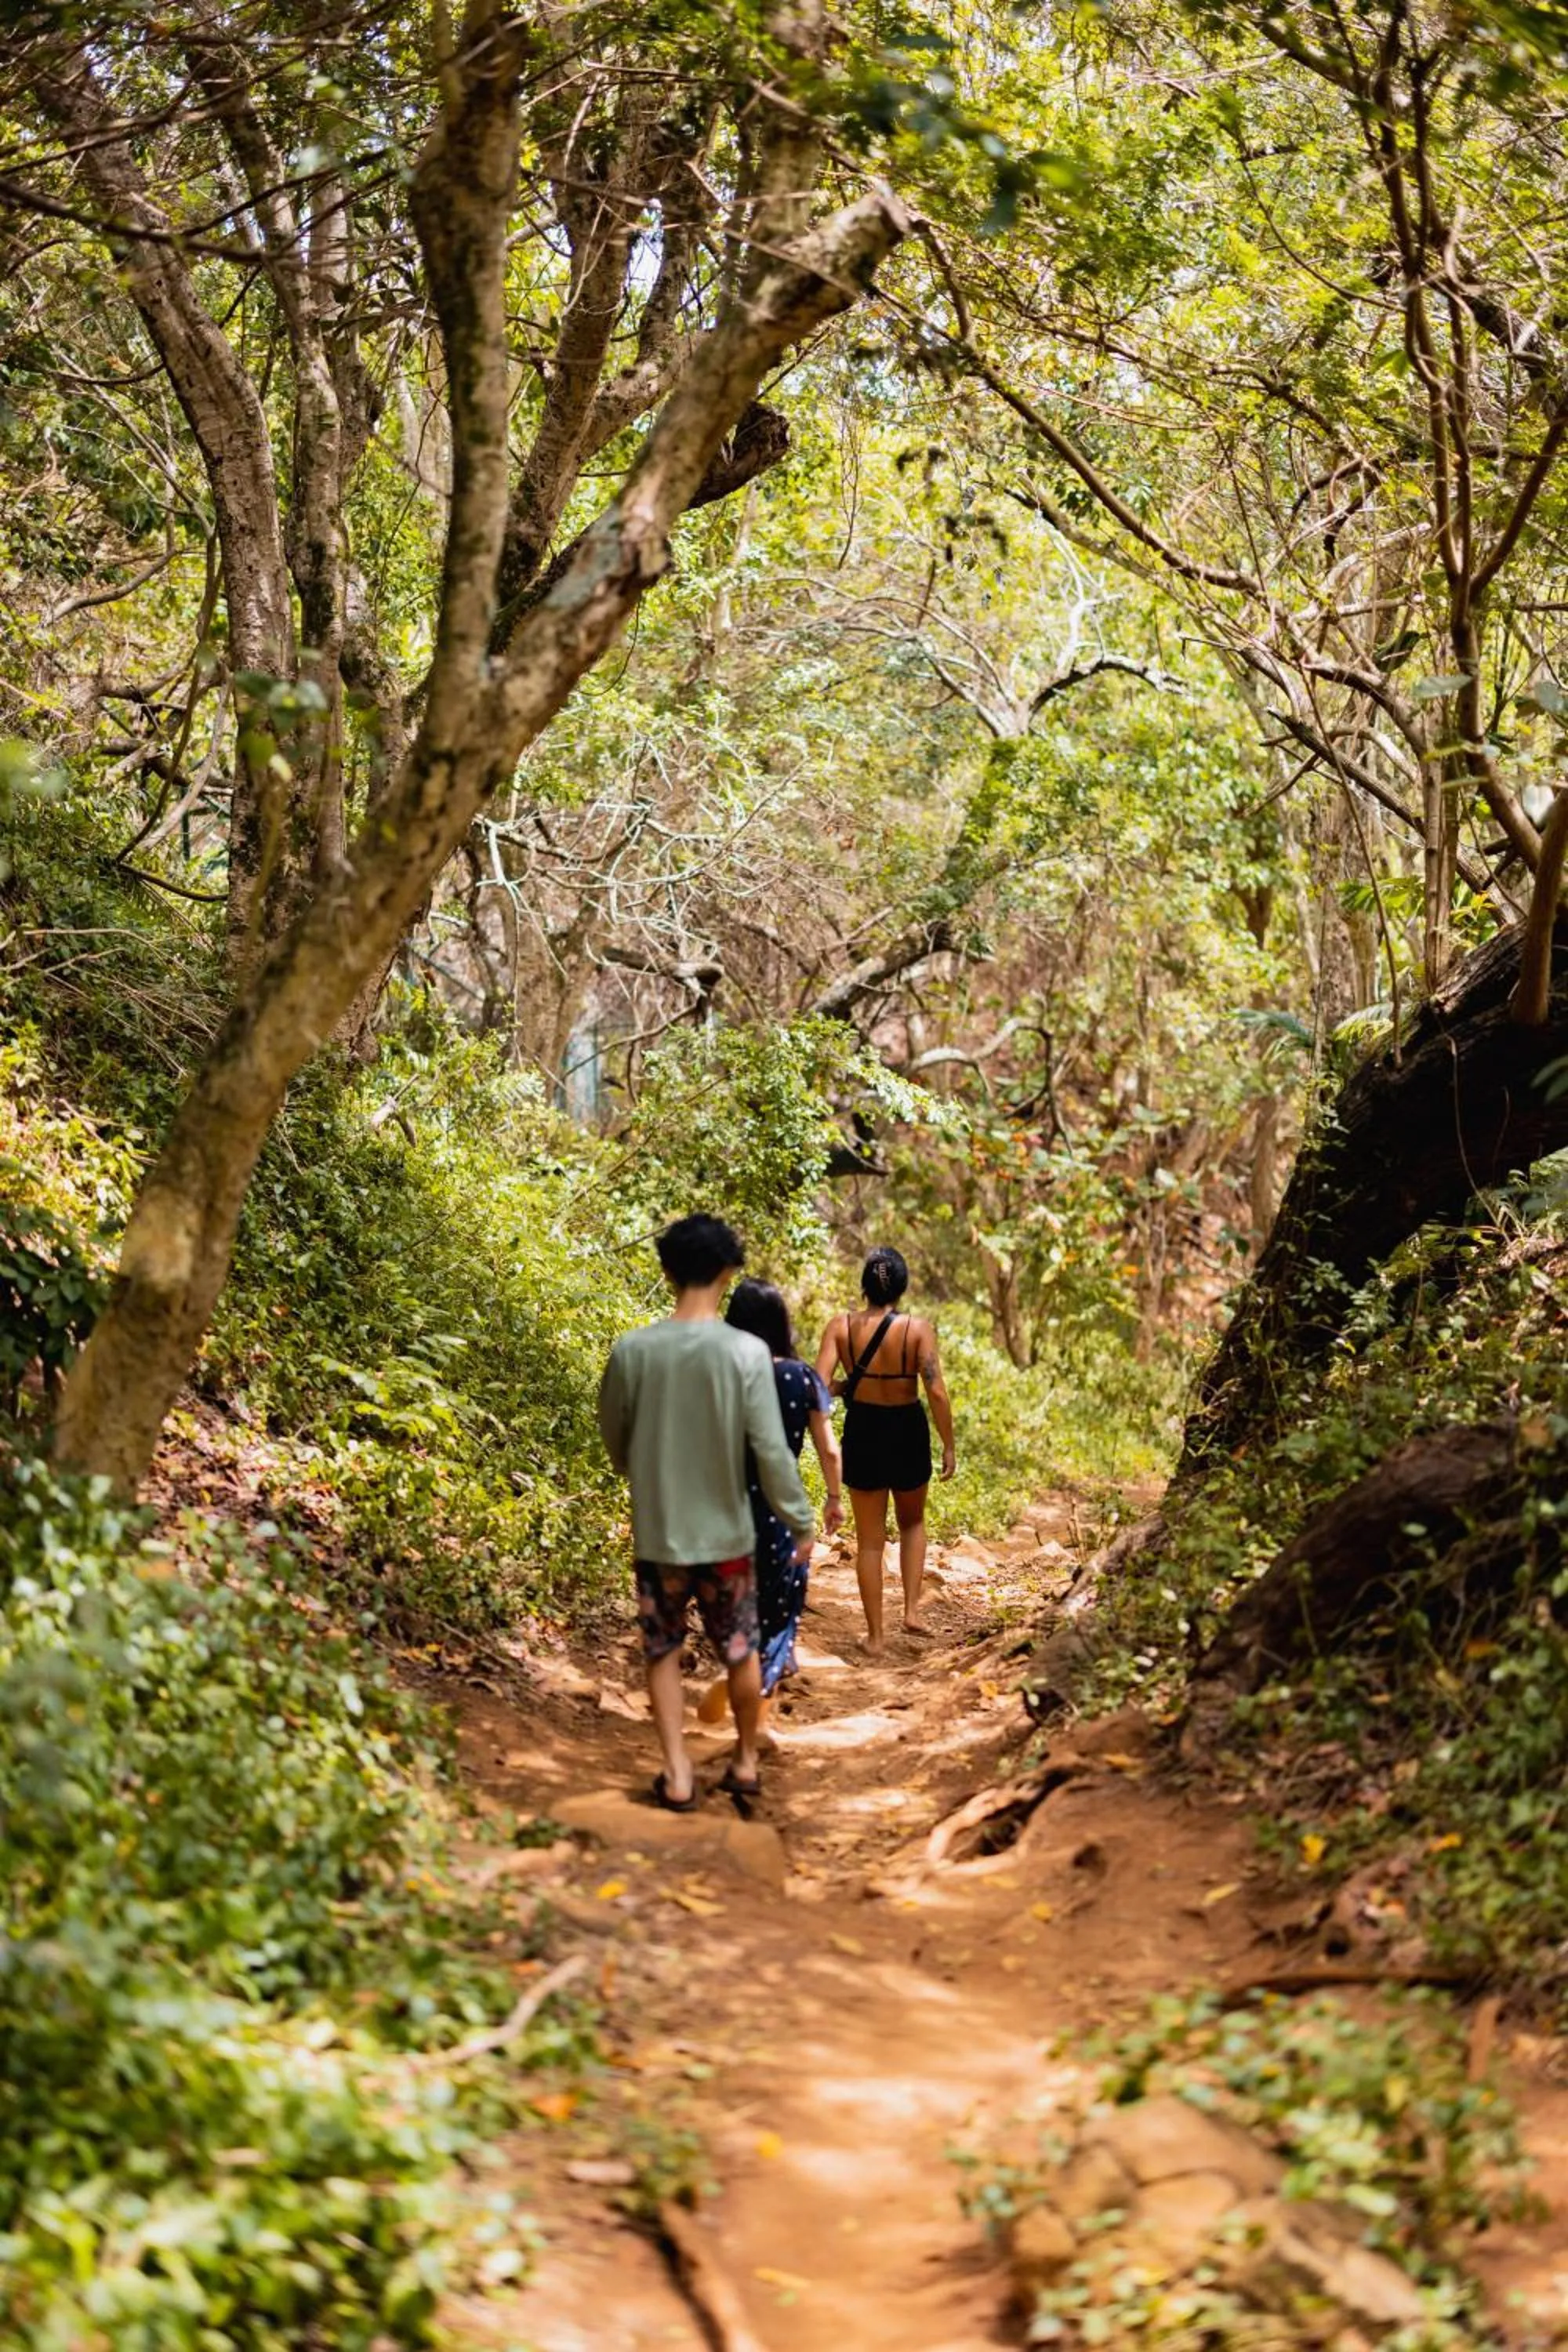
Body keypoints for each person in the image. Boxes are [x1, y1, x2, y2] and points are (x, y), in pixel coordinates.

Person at [597, 1213, 814, 1811]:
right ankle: (744, 1760)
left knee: (663, 1648)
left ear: (668, 1272)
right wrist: (799, 1520)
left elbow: (615, 1438)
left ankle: (677, 1773)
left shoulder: (633, 1350)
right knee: (741, 1648)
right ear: (726, 1272)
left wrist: (642, 1468)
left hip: (660, 1533)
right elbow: (770, 1451)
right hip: (728, 1539)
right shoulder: (746, 1353)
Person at [815, 1245, 955, 1655]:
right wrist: (948, 1445)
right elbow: (936, 1390)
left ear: (865, 1285)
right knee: (912, 1523)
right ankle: (911, 1613)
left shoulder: (840, 1327)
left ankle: (875, 1637)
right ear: (902, 1285)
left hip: (864, 1429)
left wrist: (845, 1386)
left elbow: (819, 1386)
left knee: (870, 1541)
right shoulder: (918, 1329)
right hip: (907, 1427)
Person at [717, 1277, 843, 1705]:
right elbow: (829, 1450)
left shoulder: (721, 1371)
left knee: (735, 1599)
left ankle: (744, 1670)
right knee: (782, 1592)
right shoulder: (801, 1377)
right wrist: (833, 1498)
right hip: (779, 1507)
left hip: (724, 1504)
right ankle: (768, 1672)